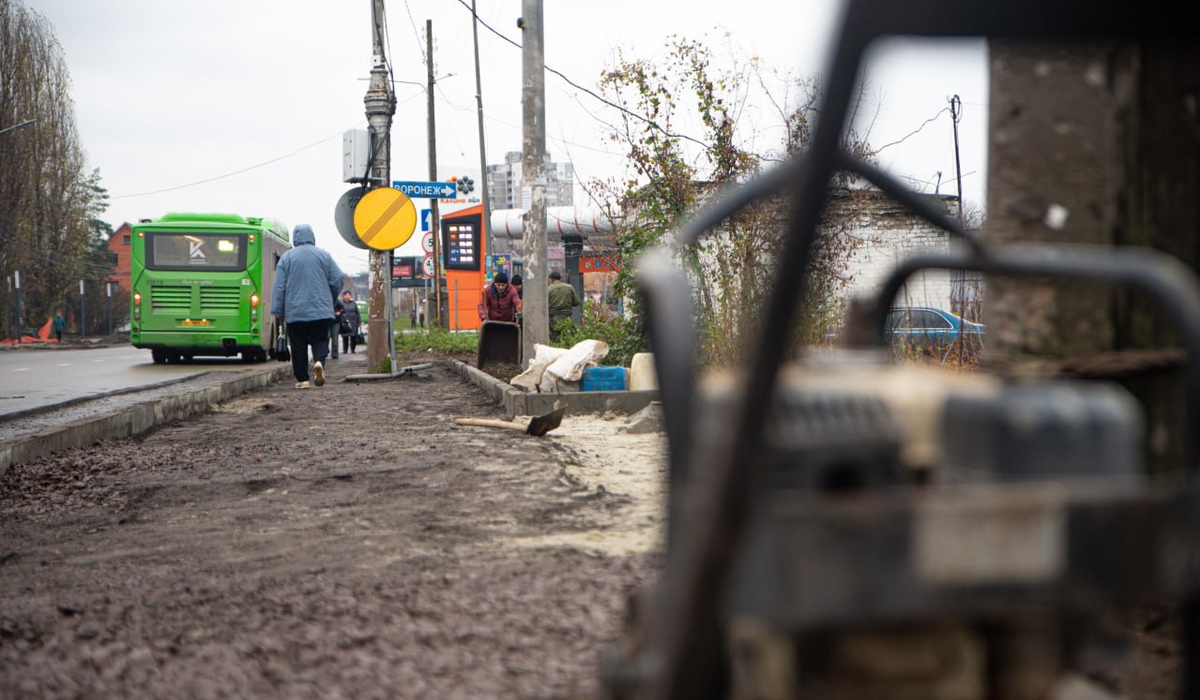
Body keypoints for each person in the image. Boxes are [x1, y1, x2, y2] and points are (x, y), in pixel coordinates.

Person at [270, 224, 344, 389]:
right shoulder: (324, 256)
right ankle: (318, 362)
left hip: (295, 311)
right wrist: (330, 299)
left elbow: (279, 286)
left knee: (298, 345)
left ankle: (303, 379)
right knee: (320, 340)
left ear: (295, 238)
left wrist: (278, 310)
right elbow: (337, 278)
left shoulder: (287, 258)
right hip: (321, 310)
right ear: (312, 236)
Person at [547, 270, 581, 341]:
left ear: (551, 279)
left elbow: (545, 305)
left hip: (553, 318)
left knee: (555, 339)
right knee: (567, 338)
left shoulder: (549, 289)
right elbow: (576, 302)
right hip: (567, 317)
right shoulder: (569, 287)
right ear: (560, 278)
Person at [339, 290, 362, 354]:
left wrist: (359, 321)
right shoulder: (341, 303)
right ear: (343, 296)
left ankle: (353, 350)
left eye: (349, 295)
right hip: (345, 322)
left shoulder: (353, 303)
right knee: (345, 336)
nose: (347, 296)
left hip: (353, 322)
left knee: (353, 336)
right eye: (346, 295)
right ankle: (345, 350)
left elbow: (357, 312)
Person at [329, 294, 343, 360]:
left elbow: (343, 308)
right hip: (327, 321)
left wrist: (339, 312)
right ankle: (324, 352)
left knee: (335, 338)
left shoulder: (336, 300)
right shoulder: (324, 300)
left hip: (335, 321)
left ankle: (335, 354)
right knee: (326, 337)